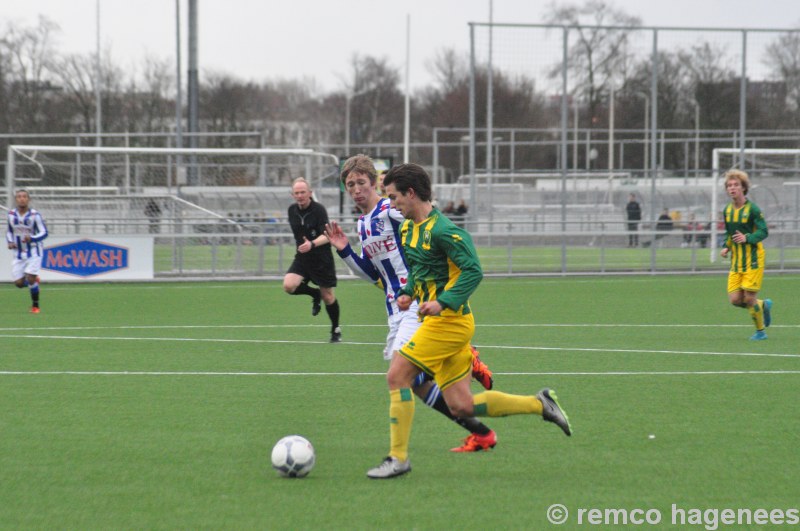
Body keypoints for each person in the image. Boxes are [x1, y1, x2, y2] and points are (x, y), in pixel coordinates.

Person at [366, 163, 572, 479]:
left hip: (449, 323)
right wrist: (408, 292)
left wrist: (444, 301)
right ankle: (539, 404)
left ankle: (398, 458)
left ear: (411, 193)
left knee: (397, 376)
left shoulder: (445, 230)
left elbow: (474, 270)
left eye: (394, 198)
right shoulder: (409, 228)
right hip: (435, 322)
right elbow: (421, 270)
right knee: (461, 406)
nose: (392, 205)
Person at [325, 154, 497, 454]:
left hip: (417, 304)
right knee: (417, 383)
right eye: (350, 184)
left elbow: (426, 218)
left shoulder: (391, 210)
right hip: (396, 307)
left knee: (400, 375)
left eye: (361, 182)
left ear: (375, 182)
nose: (355, 189)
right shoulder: (364, 223)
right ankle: (480, 431)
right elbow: (373, 274)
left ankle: (398, 456)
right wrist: (344, 251)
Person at [283, 177, 342, 342]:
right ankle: (315, 294)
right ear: (292, 194)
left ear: (310, 193)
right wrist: (304, 247)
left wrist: (312, 244)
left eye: (303, 192)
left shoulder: (318, 210)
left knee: (328, 297)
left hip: (321, 259)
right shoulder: (291, 210)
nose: (300, 195)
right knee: (288, 285)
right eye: (297, 193)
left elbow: (328, 236)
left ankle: (335, 329)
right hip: (303, 258)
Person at [720, 170, 773, 341]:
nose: (732, 188)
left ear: (743, 188)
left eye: (736, 185)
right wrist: (726, 247)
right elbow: (729, 233)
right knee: (735, 300)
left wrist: (747, 238)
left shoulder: (753, 209)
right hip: (736, 262)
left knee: (749, 298)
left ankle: (760, 332)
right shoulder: (727, 210)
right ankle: (763, 305)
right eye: (729, 185)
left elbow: (764, 231)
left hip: (753, 260)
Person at [6, 189, 48, 313]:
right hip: (19, 253)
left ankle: (35, 306)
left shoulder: (35, 216)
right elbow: (9, 231)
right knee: (19, 283)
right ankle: (33, 281)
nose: (22, 198)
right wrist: (10, 242)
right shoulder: (11, 215)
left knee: (30, 278)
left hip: (34, 251)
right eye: (19, 196)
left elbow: (44, 232)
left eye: (24, 196)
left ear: (28, 199)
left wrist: (32, 238)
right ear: (16, 200)